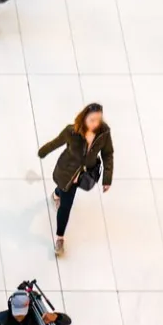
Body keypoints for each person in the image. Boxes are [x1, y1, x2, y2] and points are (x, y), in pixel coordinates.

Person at [37, 103, 114, 256]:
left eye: (98, 119)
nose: (95, 123)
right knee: (65, 206)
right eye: (92, 119)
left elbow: (107, 154)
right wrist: (43, 151)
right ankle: (60, 238)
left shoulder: (104, 133)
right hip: (67, 173)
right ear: (84, 117)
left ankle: (56, 194)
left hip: (86, 174)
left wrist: (107, 178)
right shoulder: (71, 131)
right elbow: (56, 142)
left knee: (62, 192)